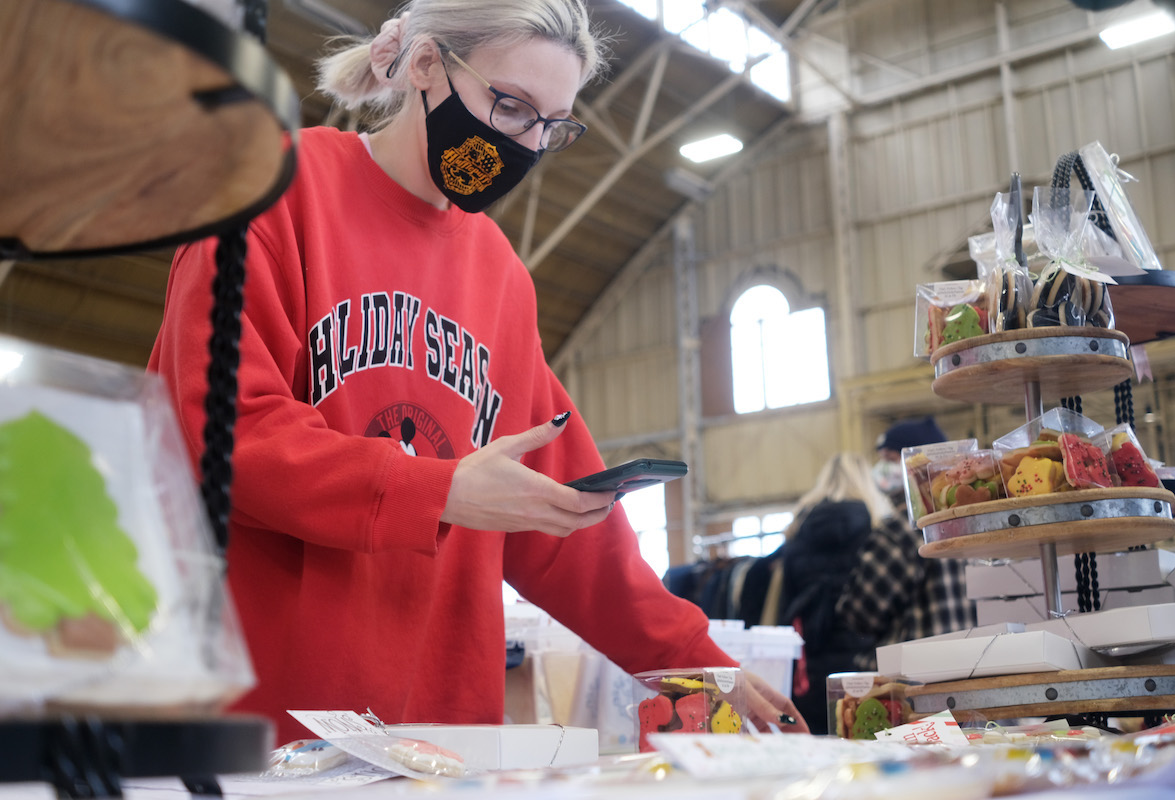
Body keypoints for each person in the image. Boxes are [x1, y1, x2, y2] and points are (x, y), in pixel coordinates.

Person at [148, 0, 805, 744]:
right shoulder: (269, 188)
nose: (524, 142)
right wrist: (439, 489)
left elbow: (566, 521)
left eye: (550, 126)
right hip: (273, 727)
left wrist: (696, 661)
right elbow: (219, 433)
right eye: (511, 105)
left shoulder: (500, 275)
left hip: (445, 740)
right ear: (426, 64)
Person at [773, 452, 898, 735]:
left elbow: (786, 607)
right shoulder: (879, 526)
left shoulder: (798, 531)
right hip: (867, 662)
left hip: (811, 668)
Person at [837, 417, 975, 670]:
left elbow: (861, 613)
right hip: (969, 670)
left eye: (890, 460)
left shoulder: (900, 530)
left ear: (917, 465)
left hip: (913, 684)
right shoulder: (975, 524)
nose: (880, 470)